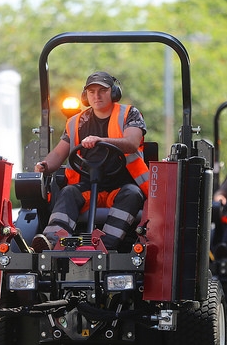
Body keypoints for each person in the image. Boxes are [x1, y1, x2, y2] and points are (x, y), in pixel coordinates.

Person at [32, 71, 149, 251]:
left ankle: (105, 245)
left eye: (102, 90)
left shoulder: (130, 114)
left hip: (121, 188)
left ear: (114, 92)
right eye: (92, 91)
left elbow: (132, 144)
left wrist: (100, 140)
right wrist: (44, 166)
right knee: (68, 192)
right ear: (85, 95)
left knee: (132, 194)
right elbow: (58, 153)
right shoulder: (75, 122)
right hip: (87, 188)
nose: (96, 95)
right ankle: (52, 243)